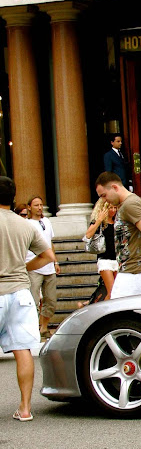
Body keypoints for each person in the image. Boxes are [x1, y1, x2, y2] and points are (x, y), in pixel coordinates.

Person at [0, 176, 55, 422]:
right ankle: (25, 408)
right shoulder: (25, 225)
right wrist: (25, 268)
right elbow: (48, 256)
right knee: (22, 351)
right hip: (21, 293)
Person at [25, 195, 60, 338]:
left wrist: (55, 261)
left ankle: (43, 327)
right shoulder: (27, 224)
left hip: (49, 266)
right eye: (35, 205)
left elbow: (49, 243)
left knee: (50, 299)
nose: (39, 208)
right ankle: (33, 328)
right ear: (29, 207)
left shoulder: (46, 221)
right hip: (34, 265)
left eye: (41, 205)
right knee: (33, 300)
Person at [80, 199, 118, 306]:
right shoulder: (99, 222)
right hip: (105, 260)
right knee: (111, 292)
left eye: (115, 208)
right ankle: (105, 315)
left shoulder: (117, 222)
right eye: (110, 208)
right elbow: (87, 235)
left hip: (116, 259)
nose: (113, 210)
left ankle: (92, 304)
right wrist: (99, 220)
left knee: (115, 291)